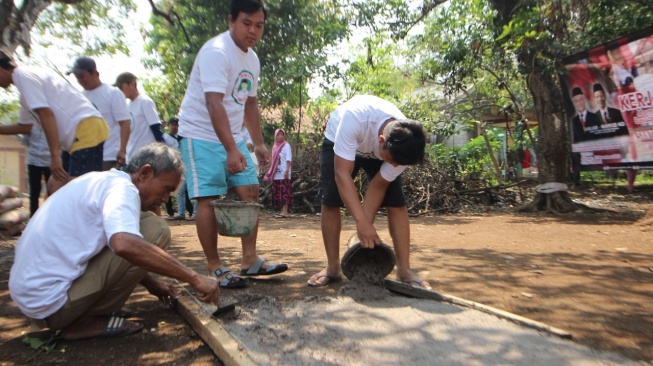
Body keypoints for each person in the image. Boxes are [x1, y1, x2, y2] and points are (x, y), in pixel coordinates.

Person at [9, 143, 220, 341]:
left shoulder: (103, 180)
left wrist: (152, 284)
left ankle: (79, 312)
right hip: (52, 306)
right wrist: (194, 278)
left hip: (34, 298)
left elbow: (109, 249)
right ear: (144, 173)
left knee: (143, 224)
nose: (166, 199)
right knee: (156, 229)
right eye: (166, 189)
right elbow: (123, 244)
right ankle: (82, 320)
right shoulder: (123, 190)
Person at [177, 0, 288, 289]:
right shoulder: (217, 52)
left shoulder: (252, 59)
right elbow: (213, 103)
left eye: (259, 25)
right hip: (200, 134)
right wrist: (230, 149)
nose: (253, 30)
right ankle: (214, 267)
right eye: (247, 23)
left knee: (250, 191)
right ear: (231, 20)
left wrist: (259, 143)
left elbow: (249, 103)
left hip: (234, 137)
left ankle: (249, 260)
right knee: (207, 199)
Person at [307, 95, 430, 289]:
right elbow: (342, 175)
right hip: (339, 140)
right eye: (392, 161)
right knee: (330, 201)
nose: (395, 166)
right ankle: (332, 268)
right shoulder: (354, 119)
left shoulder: (405, 145)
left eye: (399, 164)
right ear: (381, 141)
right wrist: (362, 223)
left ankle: (404, 271)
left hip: (379, 148)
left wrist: (364, 227)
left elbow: (378, 185)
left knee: (397, 204)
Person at [0, 47, 109, 194]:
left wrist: (54, 156)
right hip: (75, 137)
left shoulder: (24, 76)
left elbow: (46, 114)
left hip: (85, 129)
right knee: (54, 187)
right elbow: (26, 127)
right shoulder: (24, 90)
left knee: (76, 192)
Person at [67, 57, 131, 170]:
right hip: (84, 154)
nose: (80, 80)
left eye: (82, 76)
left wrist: (122, 150)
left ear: (95, 73)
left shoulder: (113, 93)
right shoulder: (79, 96)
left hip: (107, 155)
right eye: (77, 77)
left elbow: (125, 123)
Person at [113, 72, 165, 162]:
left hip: (147, 155)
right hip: (131, 156)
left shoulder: (145, 102)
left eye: (121, 87)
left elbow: (155, 127)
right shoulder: (127, 105)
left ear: (132, 84)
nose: (120, 91)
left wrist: (163, 152)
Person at [162, 117, 194, 220]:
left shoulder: (180, 137)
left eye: (176, 125)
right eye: (173, 124)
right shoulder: (165, 137)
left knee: (183, 190)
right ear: (169, 126)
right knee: (169, 188)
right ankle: (170, 212)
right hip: (169, 164)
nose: (175, 127)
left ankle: (189, 211)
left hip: (181, 165)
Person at [21, 124, 51, 216]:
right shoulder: (30, 123)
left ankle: (50, 217)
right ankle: (33, 218)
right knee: (34, 193)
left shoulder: (53, 122)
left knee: (52, 192)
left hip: (50, 162)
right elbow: (25, 140)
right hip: (33, 161)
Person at [264, 129, 294, 218]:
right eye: (278, 135)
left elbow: (289, 159)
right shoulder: (274, 147)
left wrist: (287, 171)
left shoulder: (286, 145)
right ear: (275, 136)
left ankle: (285, 211)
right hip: (276, 174)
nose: (280, 136)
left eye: (282, 135)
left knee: (284, 192)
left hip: (284, 173)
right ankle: (281, 211)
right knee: (278, 192)